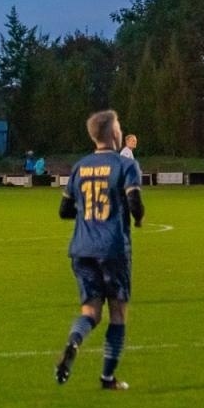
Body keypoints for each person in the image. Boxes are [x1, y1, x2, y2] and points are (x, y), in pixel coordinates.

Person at [53, 110, 143, 390]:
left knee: (91, 310)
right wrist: (138, 219)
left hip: (81, 248)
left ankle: (75, 340)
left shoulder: (80, 166)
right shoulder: (125, 165)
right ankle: (107, 378)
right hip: (113, 248)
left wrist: (87, 215)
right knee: (117, 312)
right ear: (114, 134)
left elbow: (64, 211)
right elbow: (135, 203)